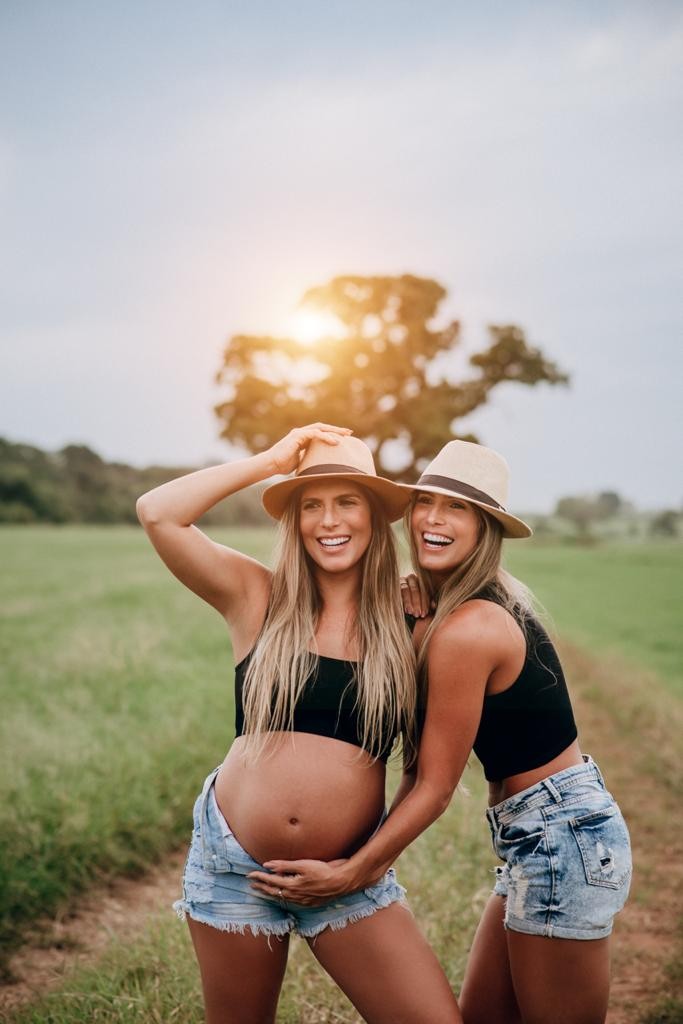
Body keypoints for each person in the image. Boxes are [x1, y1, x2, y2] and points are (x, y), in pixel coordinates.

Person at [249, 440, 632, 1024]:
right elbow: (416, 763)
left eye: (456, 509)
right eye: (425, 502)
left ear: (485, 529)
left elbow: (433, 782)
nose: (432, 519)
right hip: (539, 836)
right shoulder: (461, 605)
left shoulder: (469, 628)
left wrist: (357, 869)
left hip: (562, 839)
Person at [136, 423, 461, 1024]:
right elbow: (157, 513)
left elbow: (428, 778)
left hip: (350, 869)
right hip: (237, 868)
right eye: (311, 505)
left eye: (346, 502)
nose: (328, 520)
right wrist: (270, 460)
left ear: (373, 516)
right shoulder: (255, 597)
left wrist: (357, 869)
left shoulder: (410, 621)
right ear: (294, 521)